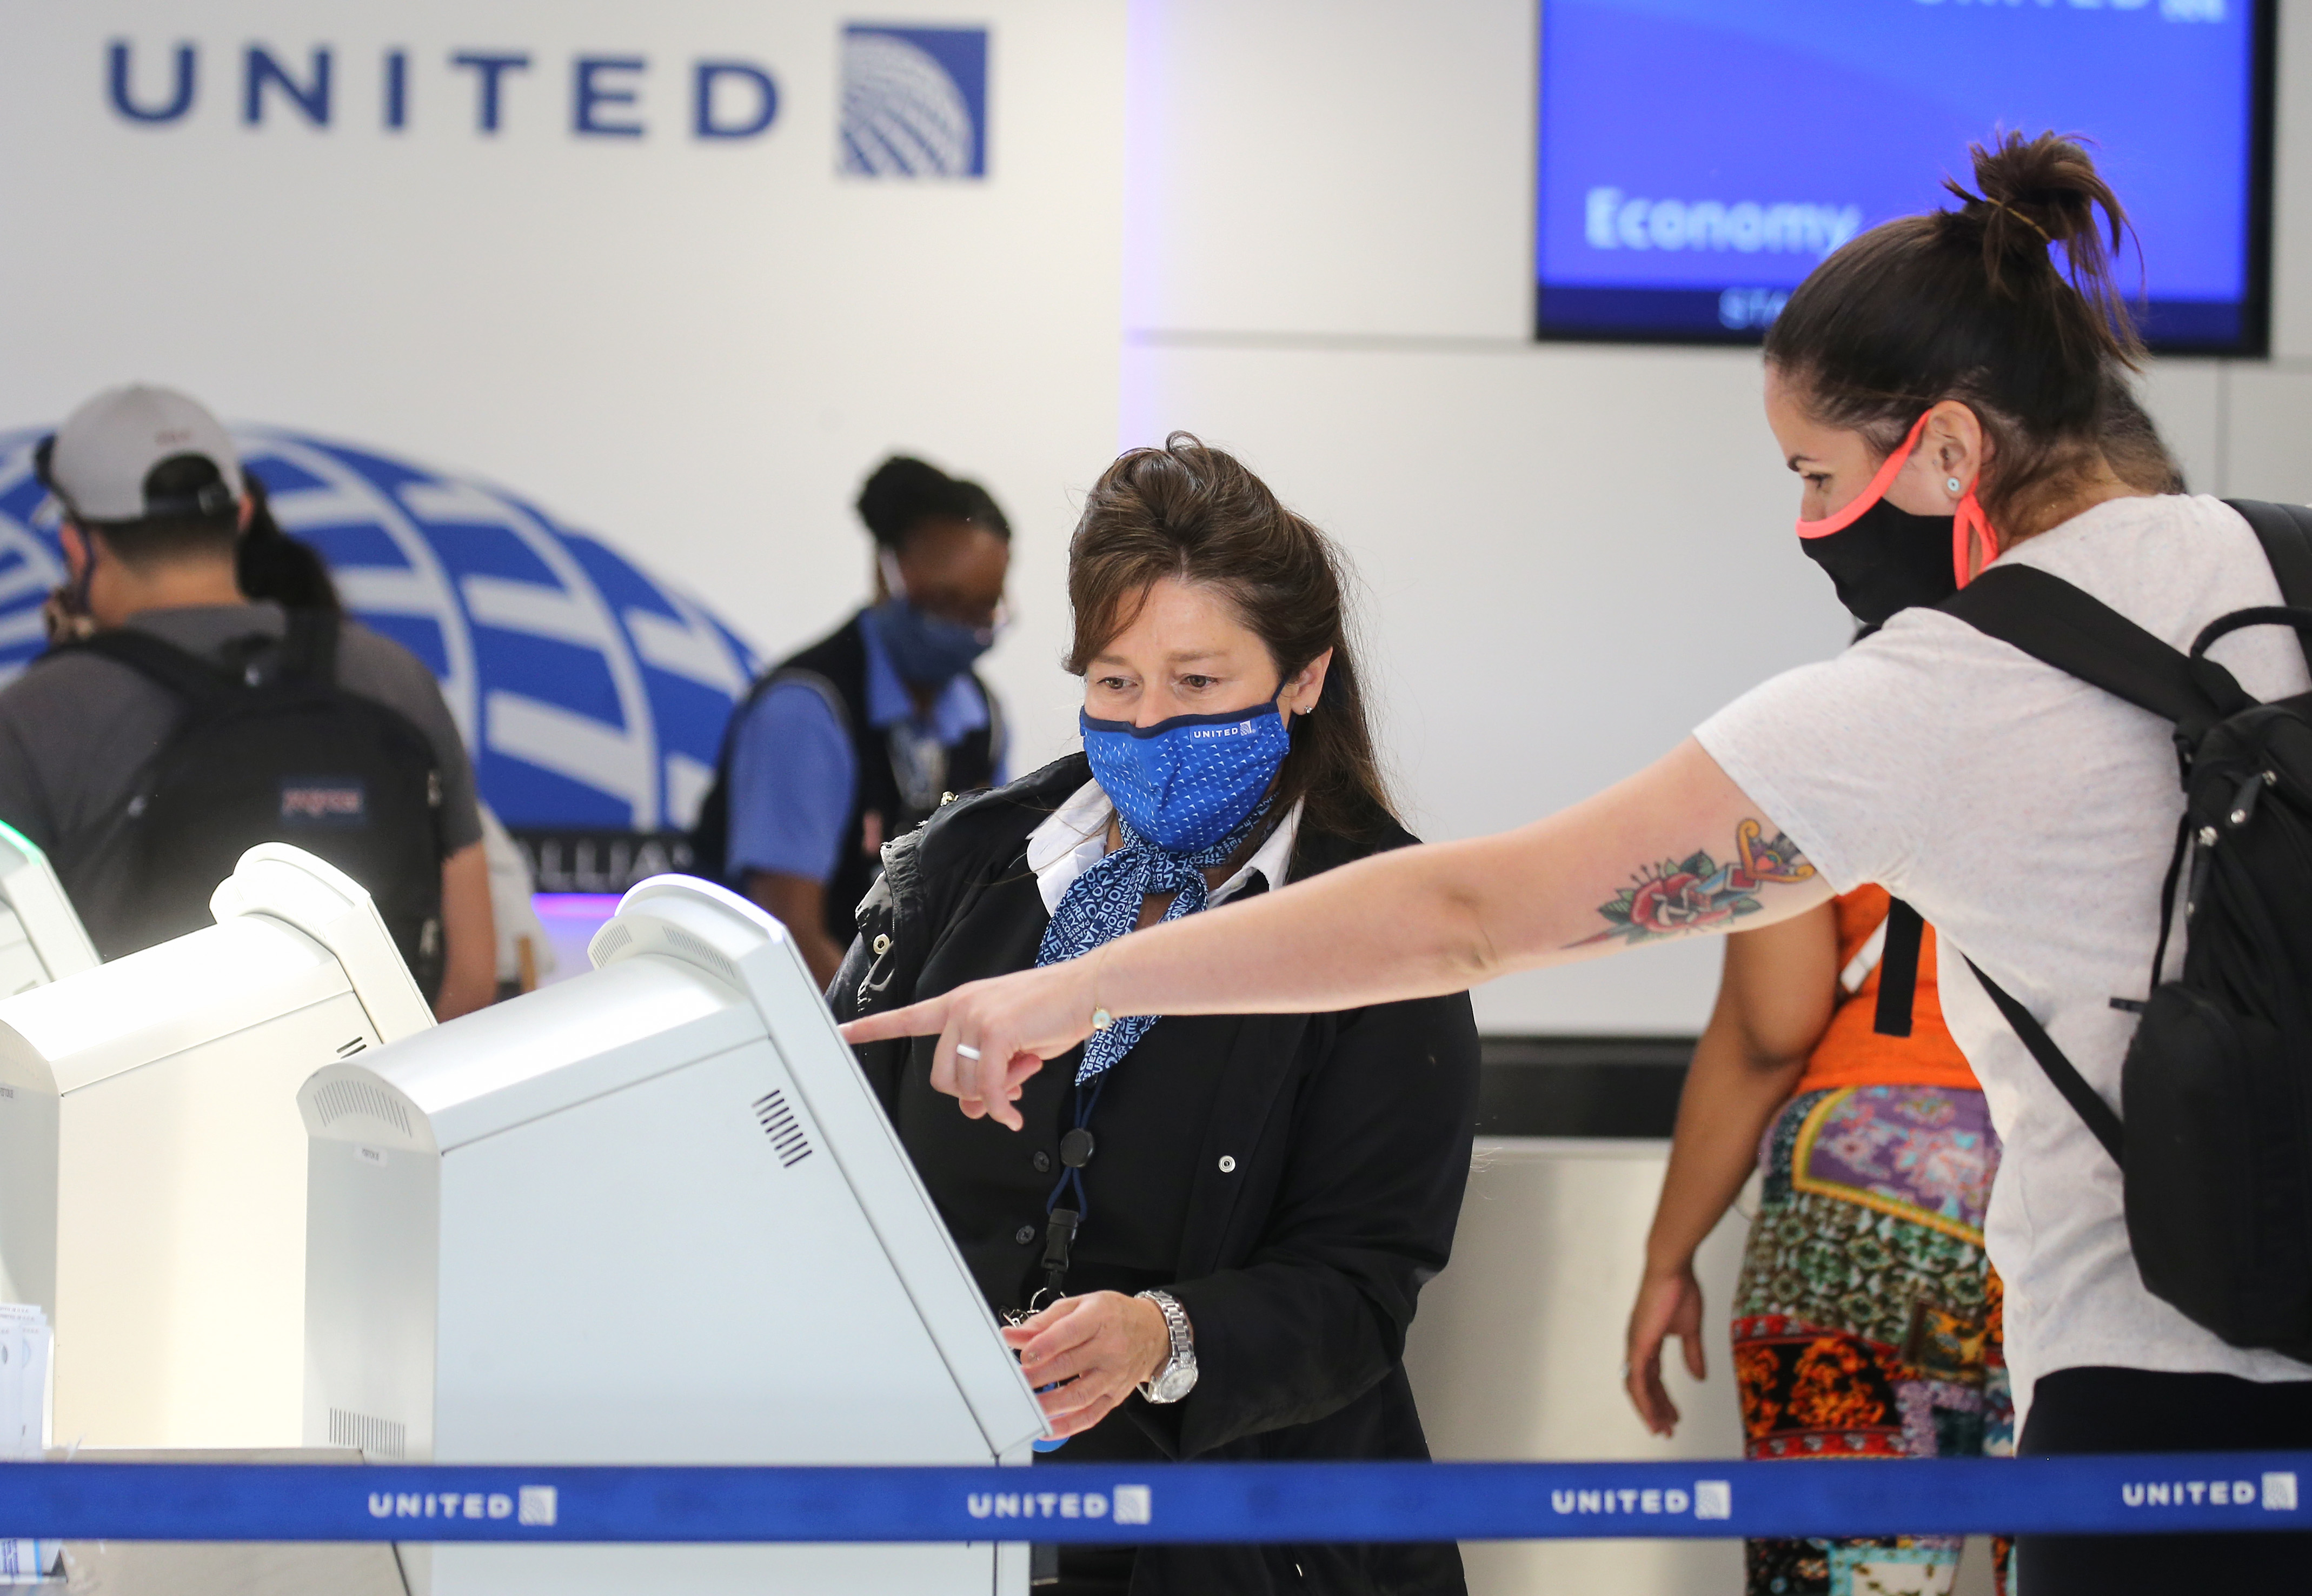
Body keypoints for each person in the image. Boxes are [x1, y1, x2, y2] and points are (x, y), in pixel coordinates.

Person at [843, 134, 2312, 1593]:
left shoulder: (1940, 694)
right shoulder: (2285, 564)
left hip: (2165, 1391)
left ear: (1943, 450)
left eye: (1814, 476)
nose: (1807, 528)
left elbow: (1476, 917)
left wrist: (1083, 988)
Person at [834, 436, 1480, 1595]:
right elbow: (835, 1179)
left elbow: (1358, 1289)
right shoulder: (968, 867)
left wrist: (1159, 1336)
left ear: (1301, 678)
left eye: (1197, 685)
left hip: (1239, 1547)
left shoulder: (1383, 925)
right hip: (959, 1532)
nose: (1146, 728)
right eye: (1113, 683)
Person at [0, 384, 494, 1019]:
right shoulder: (394, 678)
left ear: (78, 544)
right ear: (240, 516)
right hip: (377, 1101)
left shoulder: (38, 714)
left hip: (140, 1112)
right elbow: (473, 971)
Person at [1626, 892, 2012, 1596]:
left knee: (1848, 1577)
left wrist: (1667, 1258)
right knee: (2106, 1534)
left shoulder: (1820, 775)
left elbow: (1771, 1026)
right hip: (2094, 1162)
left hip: (1867, 1179)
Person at [694, 456, 1011, 988]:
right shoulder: (806, 712)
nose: (962, 629)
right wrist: (875, 1052)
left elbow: (974, 904)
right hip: (784, 1025)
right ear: (885, 576)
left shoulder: (982, 718)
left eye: (981, 612)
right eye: (943, 603)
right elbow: (787, 931)